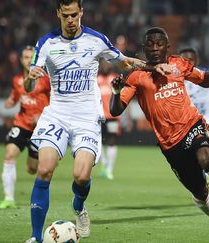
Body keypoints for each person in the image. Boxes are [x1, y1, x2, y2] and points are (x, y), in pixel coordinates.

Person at [23, 1, 159, 242]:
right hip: (58, 114)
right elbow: (29, 83)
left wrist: (154, 67)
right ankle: (35, 237)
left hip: (86, 116)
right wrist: (29, 78)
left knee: (81, 176)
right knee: (44, 170)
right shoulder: (46, 42)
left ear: (81, 12)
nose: (71, 19)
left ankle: (79, 206)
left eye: (74, 14)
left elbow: (125, 61)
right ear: (58, 14)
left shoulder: (96, 40)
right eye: (65, 15)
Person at [110, 27, 209, 243]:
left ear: (168, 47)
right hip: (170, 144)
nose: (156, 48)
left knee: (207, 160)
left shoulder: (179, 64)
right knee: (199, 192)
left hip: (192, 125)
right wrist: (116, 92)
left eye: (160, 44)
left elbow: (205, 80)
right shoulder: (137, 77)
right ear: (144, 48)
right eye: (151, 44)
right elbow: (116, 110)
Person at [0, 46, 51, 209]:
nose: (28, 60)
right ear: (21, 60)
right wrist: (10, 102)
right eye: (26, 57)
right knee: (9, 154)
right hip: (21, 124)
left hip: (39, 129)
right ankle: (8, 199)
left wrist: (43, 116)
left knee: (31, 169)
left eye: (31, 57)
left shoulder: (46, 79)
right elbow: (15, 96)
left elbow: (56, 101)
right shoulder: (17, 80)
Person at [180, 47, 209, 206]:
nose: (188, 62)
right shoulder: (176, 78)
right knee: (196, 160)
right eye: (185, 59)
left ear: (197, 60)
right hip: (188, 125)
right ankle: (207, 191)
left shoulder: (205, 74)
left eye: (191, 59)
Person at [97, 62, 121, 180]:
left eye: (107, 64)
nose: (106, 67)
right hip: (99, 116)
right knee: (97, 141)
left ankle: (110, 169)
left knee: (112, 140)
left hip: (112, 116)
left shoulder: (115, 78)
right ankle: (104, 164)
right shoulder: (96, 79)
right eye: (104, 65)